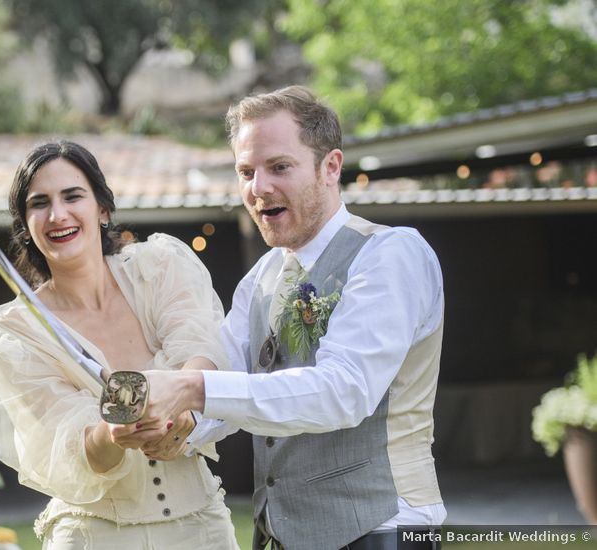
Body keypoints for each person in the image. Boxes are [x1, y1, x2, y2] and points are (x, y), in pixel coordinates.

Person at [118, 86, 446, 550]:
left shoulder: (390, 253)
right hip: (278, 536)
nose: (258, 187)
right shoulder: (262, 277)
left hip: (383, 529)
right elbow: (225, 371)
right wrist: (178, 425)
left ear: (331, 167)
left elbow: (344, 391)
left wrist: (190, 391)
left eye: (279, 167)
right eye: (246, 171)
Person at [0, 141, 239, 550]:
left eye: (72, 196)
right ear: (26, 226)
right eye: (40, 203)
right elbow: (72, 449)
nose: (58, 215)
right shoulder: (12, 337)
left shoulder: (159, 268)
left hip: (201, 528)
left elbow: (200, 351)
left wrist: (181, 414)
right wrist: (112, 433)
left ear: (102, 209)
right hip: (95, 535)